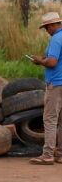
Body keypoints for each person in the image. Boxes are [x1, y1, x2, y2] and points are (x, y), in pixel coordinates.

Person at [27, 12, 62, 165]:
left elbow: (53, 62)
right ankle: (60, 154)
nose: (47, 30)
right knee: (61, 121)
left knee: (50, 119)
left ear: (53, 25)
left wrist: (39, 61)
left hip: (55, 83)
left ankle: (47, 154)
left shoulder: (56, 39)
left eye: (47, 27)